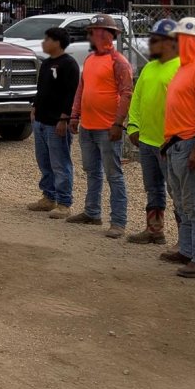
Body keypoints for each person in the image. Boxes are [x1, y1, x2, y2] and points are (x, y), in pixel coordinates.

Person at [67, 14, 135, 237]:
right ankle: (92, 212)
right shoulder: (90, 60)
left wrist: (118, 123)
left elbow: (126, 94)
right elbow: (81, 89)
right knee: (92, 171)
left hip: (107, 128)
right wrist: (75, 116)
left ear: (107, 34)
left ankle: (118, 221)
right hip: (88, 126)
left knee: (113, 174)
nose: (90, 35)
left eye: (94, 31)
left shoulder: (119, 62)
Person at [162, 17, 195, 278]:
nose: (177, 43)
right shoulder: (183, 69)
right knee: (181, 201)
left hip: (187, 143)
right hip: (175, 143)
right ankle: (186, 249)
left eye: (181, 39)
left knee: (194, 202)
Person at [123, 19, 181, 241]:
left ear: (170, 42)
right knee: (153, 188)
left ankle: (185, 241)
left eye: (155, 39)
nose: (150, 43)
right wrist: (133, 125)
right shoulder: (149, 67)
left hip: (169, 143)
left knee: (176, 192)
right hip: (147, 140)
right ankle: (155, 230)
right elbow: (137, 98)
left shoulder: (181, 68)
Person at [28, 27, 81, 217]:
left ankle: (64, 202)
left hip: (56, 121)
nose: (44, 42)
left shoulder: (69, 64)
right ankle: (48, 196)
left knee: (60, 162)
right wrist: (35, 107)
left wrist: (65, 117)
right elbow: (41, 88)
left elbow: (71, 93)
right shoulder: (46, 63)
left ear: (58, 42)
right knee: (44, 160)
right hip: (41, 119)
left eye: (47, 39)